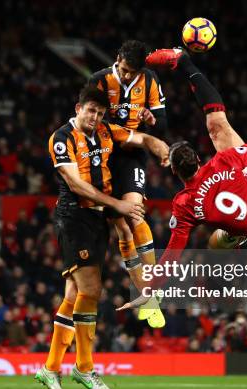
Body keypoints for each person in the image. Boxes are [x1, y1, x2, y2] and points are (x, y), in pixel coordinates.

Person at [117, 49, 247, 309]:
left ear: (173, 171)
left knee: (216, 245)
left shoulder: (184, 204)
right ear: (199, 159)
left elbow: (173, 254)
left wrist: (150, 292)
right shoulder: (225, 160)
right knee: (218, 127)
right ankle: (185, 63)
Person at [34, 85, 169, 389]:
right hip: (74, 218)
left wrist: (157, 144)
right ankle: (84, 366)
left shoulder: (107, 130)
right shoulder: (61, 138)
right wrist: (119, 205)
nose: (94, 117)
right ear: (78, 107)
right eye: (90, 110)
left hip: (99, 219)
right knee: (91, 290)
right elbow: (76, 184)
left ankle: (50, 368)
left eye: (99, 112)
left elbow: (138, 138)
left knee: (73, 295)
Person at [89, 40, 168, 328]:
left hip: (132, 153)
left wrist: (151, 119)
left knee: (135, 213)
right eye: (123, 70)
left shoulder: (149, 81)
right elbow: (87, 118)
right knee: (121, 229)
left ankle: (154, 285)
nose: (126, 76)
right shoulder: (99, 80)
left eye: (131, 73)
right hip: (102, 156)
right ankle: (151, 300)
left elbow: (162, 121)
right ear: (117, 58)